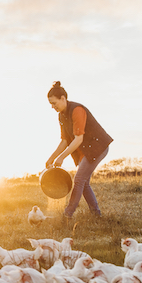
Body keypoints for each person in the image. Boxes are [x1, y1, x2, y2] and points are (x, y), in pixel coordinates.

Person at [45, 81, 113, 219]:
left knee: (79, 179)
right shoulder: (61, 116)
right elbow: (65, 140)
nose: (52, 107)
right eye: (50, 104)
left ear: (63, 98)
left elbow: (78, 139)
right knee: (84, 182)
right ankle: (96, 215)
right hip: (85, 150)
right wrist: (51, 158)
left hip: (97, 147)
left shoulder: (77, 110)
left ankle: (67, 214)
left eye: (54, 103)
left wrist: (62, 157)